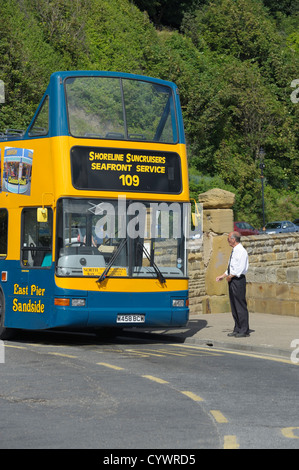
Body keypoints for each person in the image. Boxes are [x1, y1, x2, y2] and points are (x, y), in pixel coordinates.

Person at [216, 231, 250, 337]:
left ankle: (244, 330)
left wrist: (231, 276)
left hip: (238, 280)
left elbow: (240, 268)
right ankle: (237, 328)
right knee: (234, 305)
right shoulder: (234, 250)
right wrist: (224, 275)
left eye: (228, 239)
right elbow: (231, 266)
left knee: (240, 305)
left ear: (233, 239)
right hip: (232, 279)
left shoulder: (241, 251)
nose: (227, 241)